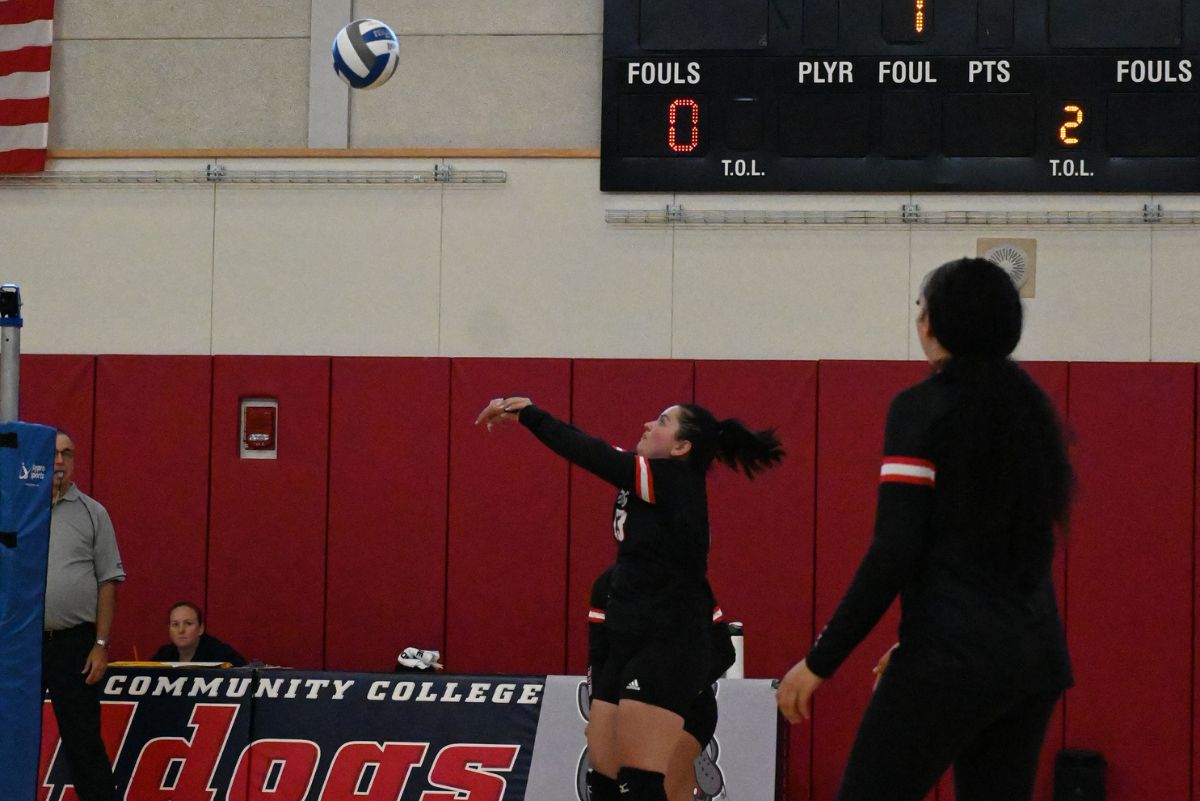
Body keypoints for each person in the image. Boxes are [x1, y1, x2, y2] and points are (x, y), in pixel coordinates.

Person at [775, 257, 1075, 801]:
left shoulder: (921, 408)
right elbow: (1010, 551)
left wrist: (819, 662)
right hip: (1034, 657)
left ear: (936, 324)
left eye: (921, 306)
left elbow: (894, 551)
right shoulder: (1030, 409)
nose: (918, 318)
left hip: (954, 657)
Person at [478, 396, 782, 801]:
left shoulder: (673, 478)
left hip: (668, 639)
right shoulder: (645, 477)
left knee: (640, 783)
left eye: (661, 421)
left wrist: (530, 414)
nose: (646, 424)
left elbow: (591, 454)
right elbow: (591, 446)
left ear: (681, 447)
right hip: (628, 633)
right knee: (603, 781)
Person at [585, 565, 736, 801]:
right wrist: (599, 710)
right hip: (628, 708)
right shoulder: (606, 585)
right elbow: (598, 658)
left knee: (658, 785)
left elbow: (724, 651)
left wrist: (681, 689)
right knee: (605, 785)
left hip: (685, 708)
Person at [43, 430, 124, 801]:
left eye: (68, 454)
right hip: (22, 644)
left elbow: (108, 582)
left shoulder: (94, 513)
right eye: (54, 454)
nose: (60, 461)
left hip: (75, 645)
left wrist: (101, 644)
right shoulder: (18, 510)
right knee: (11, 734)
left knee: (83, 741)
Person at [150, 601, 247, 666]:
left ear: (201, 628)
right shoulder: (163, 655)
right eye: (175, 624)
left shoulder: (221, 654)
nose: (181, 630)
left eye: (188, 623)